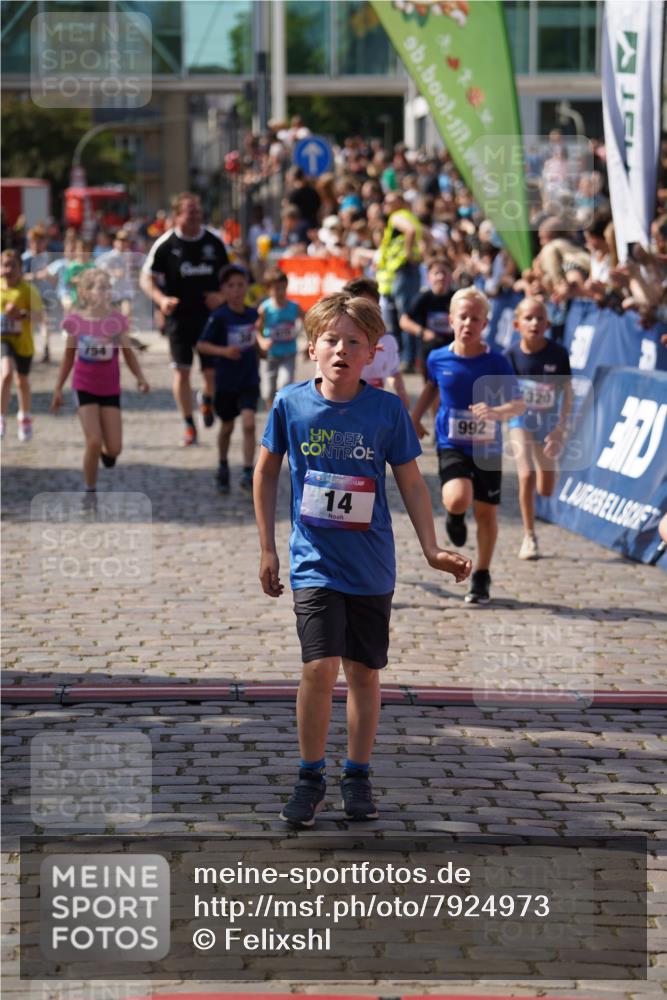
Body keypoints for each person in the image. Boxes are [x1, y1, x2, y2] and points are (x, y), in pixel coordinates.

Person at [254, 292, 471, 828]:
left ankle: (357, 774)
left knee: (365, 672)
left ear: (373, 353)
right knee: (318, 667)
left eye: (354, 342)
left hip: (372, 564)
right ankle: (309, 777)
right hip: (314, 562)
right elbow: (264, 473)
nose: (341, 350)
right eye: (332, 340)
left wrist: (431, 547)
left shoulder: (386, 410)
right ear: (312, 348)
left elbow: (412, 482)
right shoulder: (291, 404)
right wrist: (266, 547)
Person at [411, 288, 525, 605]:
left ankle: (482, 575)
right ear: (451, 319)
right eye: (462, 317)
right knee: (458, 497)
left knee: (487, 514)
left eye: (476, 318)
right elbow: (431, 388)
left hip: (487, 447)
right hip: (452, 443)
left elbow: (518, 404)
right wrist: (415, 417)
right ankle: (455, 516)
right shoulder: (437, 357)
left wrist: (496, 412)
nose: (468, 323)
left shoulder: (497, 362)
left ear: (485, 323)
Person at [139, 192, 229, 447]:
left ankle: (207, 400)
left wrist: (221, 296)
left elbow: (235, 273)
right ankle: (189, 424)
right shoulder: (166, 244)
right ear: (177, 215)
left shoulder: (215, 241)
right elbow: (146, 278)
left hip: (210, 319)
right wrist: (160, 299)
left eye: (198, 210)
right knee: (182, 371)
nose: (195, 215)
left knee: (211, 373)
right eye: (190, 211)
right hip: (179, 317)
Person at [49, 269, 149, 496]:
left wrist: (140, 378)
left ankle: (106, 453)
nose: (105, 292)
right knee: (93, 440)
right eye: (100, 287)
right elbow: (68, 357)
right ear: (85, 292)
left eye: (107, 288)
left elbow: (127, 353)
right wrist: (58, 388)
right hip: (83, 385)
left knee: (114, 448)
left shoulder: (116, 321)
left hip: (109, 388)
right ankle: (90, 489)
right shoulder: (75, 321)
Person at [505, 298, 573, 560]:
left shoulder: (558, 353)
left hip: (547, 425)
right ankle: (529, 536)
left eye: (540, 318)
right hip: (520, 421)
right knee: (526, 476)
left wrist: (560, 428)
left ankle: (536, 515)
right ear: (517, 323)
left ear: (548, 323)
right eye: (528, 318)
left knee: (546, 487)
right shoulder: (510, 356)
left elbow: (567, 393)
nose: (534, 323)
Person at [197, 265, 260, 495]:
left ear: (247, 287)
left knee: (249, 423)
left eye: (240, 285)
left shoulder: (254, 314)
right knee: (227, 427)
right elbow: (202, 345)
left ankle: (247, 470)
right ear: (223, 289)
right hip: (225, 381)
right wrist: (225, 352)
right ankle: (223, 465)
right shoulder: (219, 316)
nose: (236, 290)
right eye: (231, 286)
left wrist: (262, 347)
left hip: (249, 379)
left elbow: (256, 343)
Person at [343, 277, 409, 409]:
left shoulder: (388, 341)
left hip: (376, 410)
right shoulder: (339, 343)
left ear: (378, 308)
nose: (365, 314)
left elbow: (394, 373)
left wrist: (402, 399)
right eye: (359, 308)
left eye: (369, 307)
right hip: (346, 409)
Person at [375, 192, 423, 371]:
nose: (386, 204)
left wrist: (409, 254)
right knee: (407, 314)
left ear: (400, 203)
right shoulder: (411, 217)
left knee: (403, 317)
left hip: (402, 270)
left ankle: (406, 359)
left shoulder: (397, 217)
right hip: (407, 271)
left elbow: (410, 231)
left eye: (390, 201)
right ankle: (409, 357)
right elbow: (426, 236)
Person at [0, 249, 43, 441]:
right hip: (3, 339)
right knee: (6, 373)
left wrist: (21, 314)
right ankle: (1, 417)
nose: (8, 270)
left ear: (20, 269)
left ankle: (24, 416)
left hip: (24, 342)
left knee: (21, 380)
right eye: (5, 265)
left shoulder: (28, 290)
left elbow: (40, 317)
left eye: (13, 266)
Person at [257, 267, 304, 411]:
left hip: (288, 353)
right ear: (268, 289)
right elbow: (256, 329)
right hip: (270, 355)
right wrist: (262, 342)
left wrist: (304, 337)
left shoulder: (294, 307)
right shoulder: (265, 309)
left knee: (284, 383)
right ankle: (273, 411)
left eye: (282, 288)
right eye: (276, 289)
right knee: (267, 391)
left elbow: (307, 321)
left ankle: (281, 411)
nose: (280, 292)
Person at [399, 256, 454, 376]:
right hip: (429, 352)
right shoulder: (423, 298)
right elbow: (404, 321)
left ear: (451, 276)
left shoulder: (456, 297)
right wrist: (422, 332)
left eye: (444, 273)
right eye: (436, 273)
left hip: (452, 350)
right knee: (430, 388)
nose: (441, 277)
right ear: (429, 277)